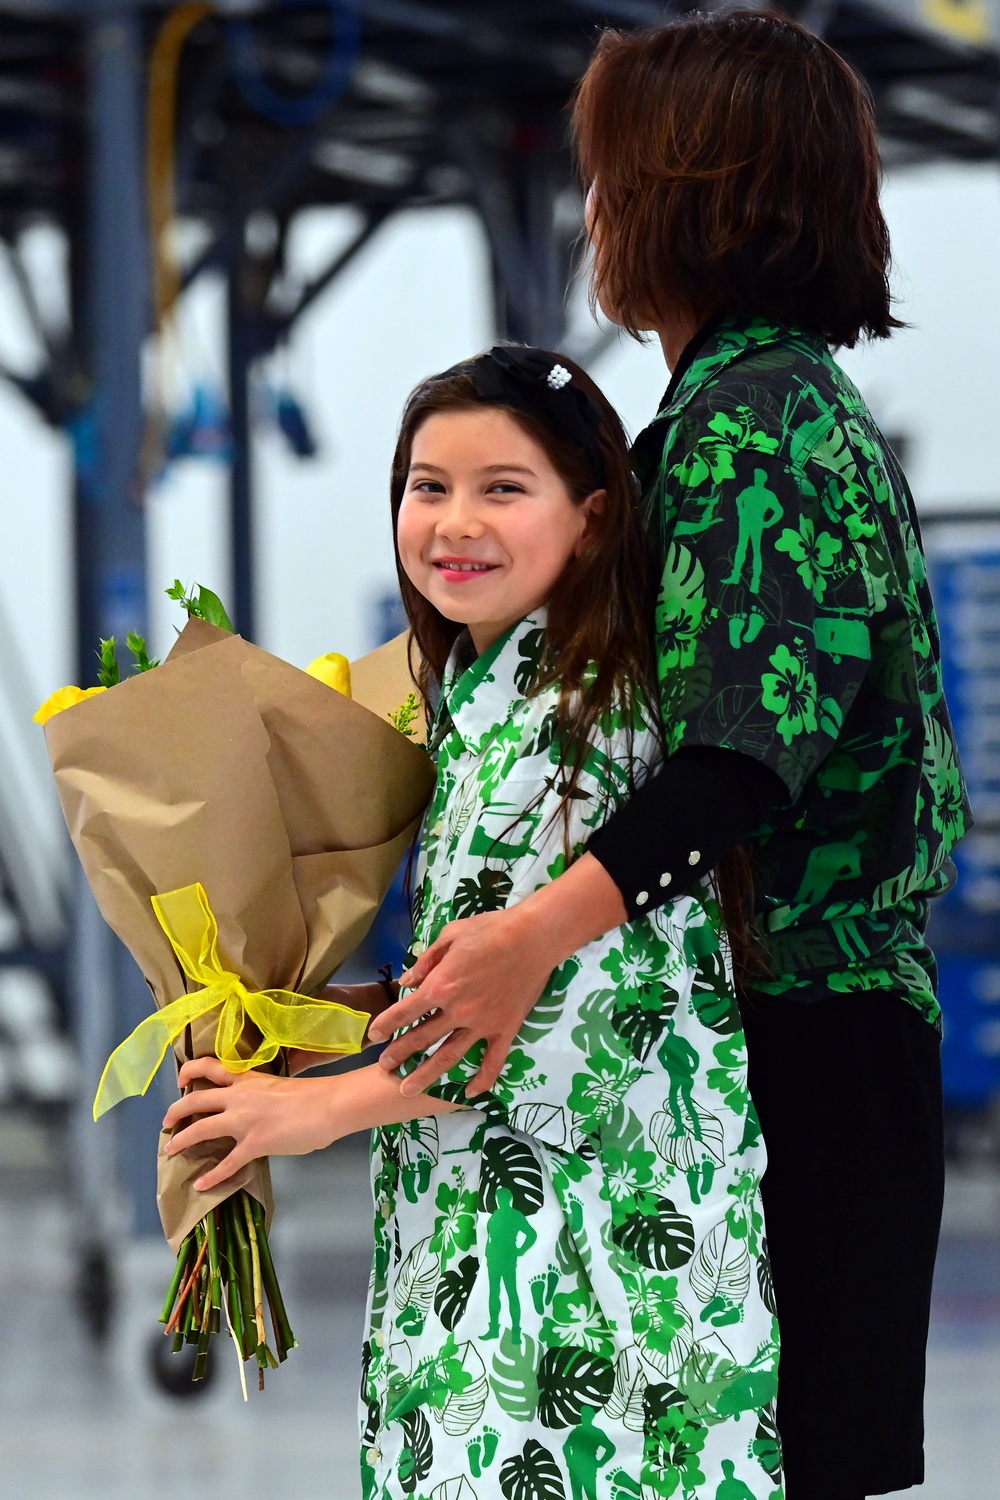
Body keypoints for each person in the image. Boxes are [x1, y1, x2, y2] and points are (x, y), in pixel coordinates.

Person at [367, 16, 971, 1500]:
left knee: (779, 1459)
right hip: (777, 1029)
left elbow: (741, 763)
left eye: (611, 176)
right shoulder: (732, 412)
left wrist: (520, 940)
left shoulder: (758, 424)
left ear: (686, 189)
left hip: (804, 1038)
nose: (596, 214)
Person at [164, 345, 783, 1500]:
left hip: (585, 1291)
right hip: (517, 1256)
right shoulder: (486, 716)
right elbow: (480, 986)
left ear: (592, 518)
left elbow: (560, 1035)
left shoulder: (571, 727)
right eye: (426, 484)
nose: (454, 520)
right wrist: (333, 1024)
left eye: (504, 488)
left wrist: (307, 1114)